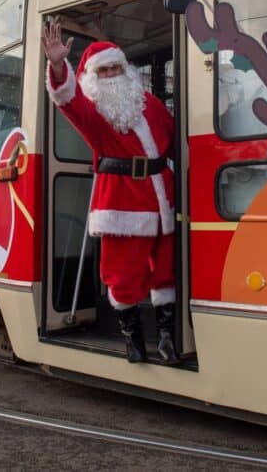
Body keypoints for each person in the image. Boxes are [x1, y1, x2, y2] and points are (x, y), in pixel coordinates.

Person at [42, 21, 178, 364]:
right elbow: (68, 100)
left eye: (115, 67)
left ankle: (167, 337)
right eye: (103, 71)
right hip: (122, 202)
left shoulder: (151, 104)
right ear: (93, 78)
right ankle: (134, 339)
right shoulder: (94, 113)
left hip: (162, 197)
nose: (112, 74)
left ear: (125, 69)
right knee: (122, 274)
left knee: (166, 270)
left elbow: (175, 139)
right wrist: (58, 66)